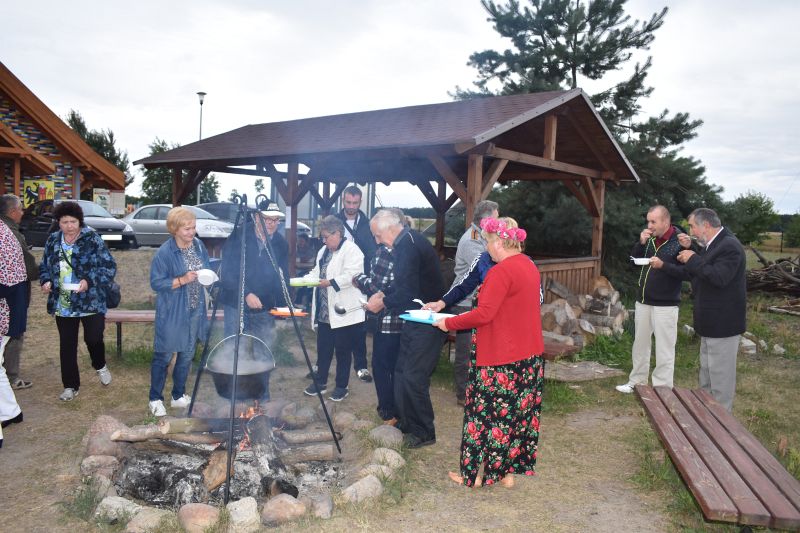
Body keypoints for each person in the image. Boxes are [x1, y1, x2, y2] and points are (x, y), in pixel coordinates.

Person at [433, 217, 544, 488]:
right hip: (529, 356)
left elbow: (483, 314)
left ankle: (471, 476)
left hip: (500, 358)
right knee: (516, 417)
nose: (486, 248)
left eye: (487, 241)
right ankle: (505, 474)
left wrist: (448, 322)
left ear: (498, 242)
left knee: (483, 418)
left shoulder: (500, 271)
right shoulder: (529, 265)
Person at [365, 209, 446, 448]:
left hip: (428, 320)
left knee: (413, 377)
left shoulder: (409, 246)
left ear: (390, 229)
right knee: (400, 372)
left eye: (378, 236)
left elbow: (408, 292)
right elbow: (402, 285)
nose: (377, 241)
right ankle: (407, 423)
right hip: (413, 318)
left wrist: (383, 302)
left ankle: (424, 432)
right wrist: (383, 294)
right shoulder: (403, 244)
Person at [39, 201, 116, 402]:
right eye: (64, 222)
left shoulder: (92, 239)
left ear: (80, 221)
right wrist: (46, 280)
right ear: (59, 222)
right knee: (67, 345)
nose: (69, 226)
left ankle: (100, 365)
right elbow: (44, 265)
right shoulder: (53, 240)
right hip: (63, 303)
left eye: (73, 221)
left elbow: (109, 267)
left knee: (93, 339)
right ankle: (70, 386)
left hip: (91, 301)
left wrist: (88, 281)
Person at [677, 208, 746, 412]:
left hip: (723, 324)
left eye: (692, 226)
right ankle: (707, 416)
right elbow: (705, 269)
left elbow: (718, 277)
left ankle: (723, 426)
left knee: (721, 378)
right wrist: (693, 254)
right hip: (710, 323)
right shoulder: (712, 244)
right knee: (706, 373)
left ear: (705, 225)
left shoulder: (730, 246)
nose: (691, 231)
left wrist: (693, 259)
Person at [148, 207, 212, 417]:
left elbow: (207, 266)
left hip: (195, 309)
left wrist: (208, 276)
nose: (191, 232)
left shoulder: (198, 245)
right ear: (175, 229)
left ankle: (178, 395)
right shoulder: (165, 253)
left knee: (187, 354)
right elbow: (156, 283)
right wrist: (182, 280)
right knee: (164, 354)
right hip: (172, 311)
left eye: (193, 227)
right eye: (187, 228)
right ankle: (155, 398)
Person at [616, 205, 685, 394]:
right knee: (640, 344)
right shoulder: (649, 239)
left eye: (653, 221)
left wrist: (663, 266)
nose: (649, 225)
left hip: (666, 303)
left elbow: (687, 273)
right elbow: (632, 262)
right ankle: (636, 382)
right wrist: (640, 243)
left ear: (666, 222)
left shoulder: (680, 241)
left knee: (664, 348)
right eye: (648, 221)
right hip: (643, 301)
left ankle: (662, 389)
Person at [218, 209, 284, 403]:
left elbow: (282, 275)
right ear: (256, 218)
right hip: (235, 301)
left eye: (276, 220)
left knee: (264, 349)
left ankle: (262, 395)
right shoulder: (239, 237)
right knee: (234, 346)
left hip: (264, 305)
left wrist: (283, 303)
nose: (271, 224)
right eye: (267, 219)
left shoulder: (280, 243)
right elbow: (228, 272)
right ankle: (233, 395)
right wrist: (246, 293)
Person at [302, 216, 366, 402]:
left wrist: (330, 282)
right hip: (324, 311)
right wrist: (305, 280)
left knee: (343, 350)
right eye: (322, 237)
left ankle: (341, 386)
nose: (323, 240)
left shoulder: (352, 250)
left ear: (337, 234)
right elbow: (317, 271)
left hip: (342, 311)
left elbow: (353, 275)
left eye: (326, 237)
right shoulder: (324, 250)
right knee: (323, 349)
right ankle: (320, 382)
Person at [446, 199, 498, 405]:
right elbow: (485, 271)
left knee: (477, 350)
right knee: (465, 351)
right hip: (465, 301)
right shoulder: (472, 240)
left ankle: (477, 388)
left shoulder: (484, 237)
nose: (498, 223)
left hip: (478, 302)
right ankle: (463, 394)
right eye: (495, 219)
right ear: (485, 220)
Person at [353, 240, 400, 424]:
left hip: (387, 321)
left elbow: (377, 288)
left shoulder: (384, 253)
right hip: (405, 321)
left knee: (381, 367)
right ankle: (399, 409)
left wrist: (359, 279)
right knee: (397, 367)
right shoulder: (407, 252)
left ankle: (387, 411)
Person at [335, 185, 375, 383]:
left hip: (359, 280)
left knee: (359, 323)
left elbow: (371, 252)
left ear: (360, 202)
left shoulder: (367, 224)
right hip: (337, 278)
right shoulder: (334, 220)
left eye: (355, 203)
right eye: (348, 202)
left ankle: (361, 366)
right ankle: (325, 364)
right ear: (343, 200)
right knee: (332, 322)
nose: (351, 206)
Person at [0, 194, 38, 390]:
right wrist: (42, 273)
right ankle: (11, 377)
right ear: (13, 212)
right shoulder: (10, 233)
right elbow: (27, 263)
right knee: (13, 332)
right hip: (12, 292)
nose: (23, 213)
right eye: (21, 209)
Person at [1, 219, 27, 441]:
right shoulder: (4, 232)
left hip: (4, 314)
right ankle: (11, 411)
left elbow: (8, 284)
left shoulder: (3, 236)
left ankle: (11, 412)